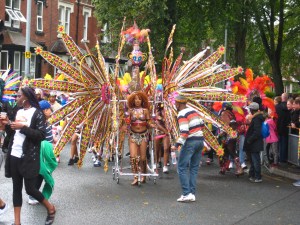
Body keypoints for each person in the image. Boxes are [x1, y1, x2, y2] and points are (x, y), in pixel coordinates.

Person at [1, 87, 56, 225]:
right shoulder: (18, 111)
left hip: (29, 156)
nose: (16, 98)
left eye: (19, 96)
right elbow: (13, 132)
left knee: (30, 189)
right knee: (16, 189)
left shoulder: (37, 113)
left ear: (25, 98)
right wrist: (7, 123)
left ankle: (50, 208)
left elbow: (41, 136)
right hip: (14, 154)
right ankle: (17, 222)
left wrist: (23, 127)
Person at [171, 95, 204, 202]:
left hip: (191, 142)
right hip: (200, 140)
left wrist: (176, 145)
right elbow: (202, 124)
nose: (175, 104)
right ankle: (192, 194)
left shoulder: (181, 114)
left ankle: (186, 193)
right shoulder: (193, 111)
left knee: (181, 167)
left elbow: (184, 132)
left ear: (179, 104)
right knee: (194, 168)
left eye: (175, 103)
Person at [28, 100, 58, 205]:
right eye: (50, 109)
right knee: (40, 173)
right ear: (45, 110)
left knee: (42, 173)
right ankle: (32, 195)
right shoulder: (39, 123)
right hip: (39, 153)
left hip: (45, 152)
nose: (51, 111)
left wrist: (53, 140)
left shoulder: (45, 121)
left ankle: (35, 194)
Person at [125, 91, 151, 185]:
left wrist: (153, 124)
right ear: (133, 100)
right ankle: (135, 177)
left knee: (143, 158)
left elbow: (149, 122)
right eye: (135, 99)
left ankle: (143, 175)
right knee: (133, 157)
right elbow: (127, 122)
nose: (137, 101)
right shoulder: (130, 111)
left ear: (142, 100)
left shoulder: (145, 111)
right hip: (133, 135)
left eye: (139, 99)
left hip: (143, 135)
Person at [244, 102, 264, 183]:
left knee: (255, 160)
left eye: (250, 109)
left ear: (252, 110)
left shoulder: (256, 119)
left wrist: (250, 139)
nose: (249, 110)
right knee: (254, 160)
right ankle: (252, 175)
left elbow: (256, 132)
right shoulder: (258, 117)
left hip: (255, 143)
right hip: (255, 143)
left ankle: (258, 176)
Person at [154, 103, 170, 173]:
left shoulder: (170, 111)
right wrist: (165, 131)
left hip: (167, 133)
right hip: (158, 132)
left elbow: (172, 122)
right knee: (157, 149)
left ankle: (165, 166)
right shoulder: (157, 110)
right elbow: (156, 123)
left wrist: (169, 130)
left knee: (166, 148)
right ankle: (156, 162)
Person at [276, 93, 290, 163]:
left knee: (279, 143)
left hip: (278, 127)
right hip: (287, 128)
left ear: (282, 98)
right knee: (285, 143)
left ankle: (278, 157)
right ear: (287, 98)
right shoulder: (289, 107)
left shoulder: (277, 106)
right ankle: (284, 158)